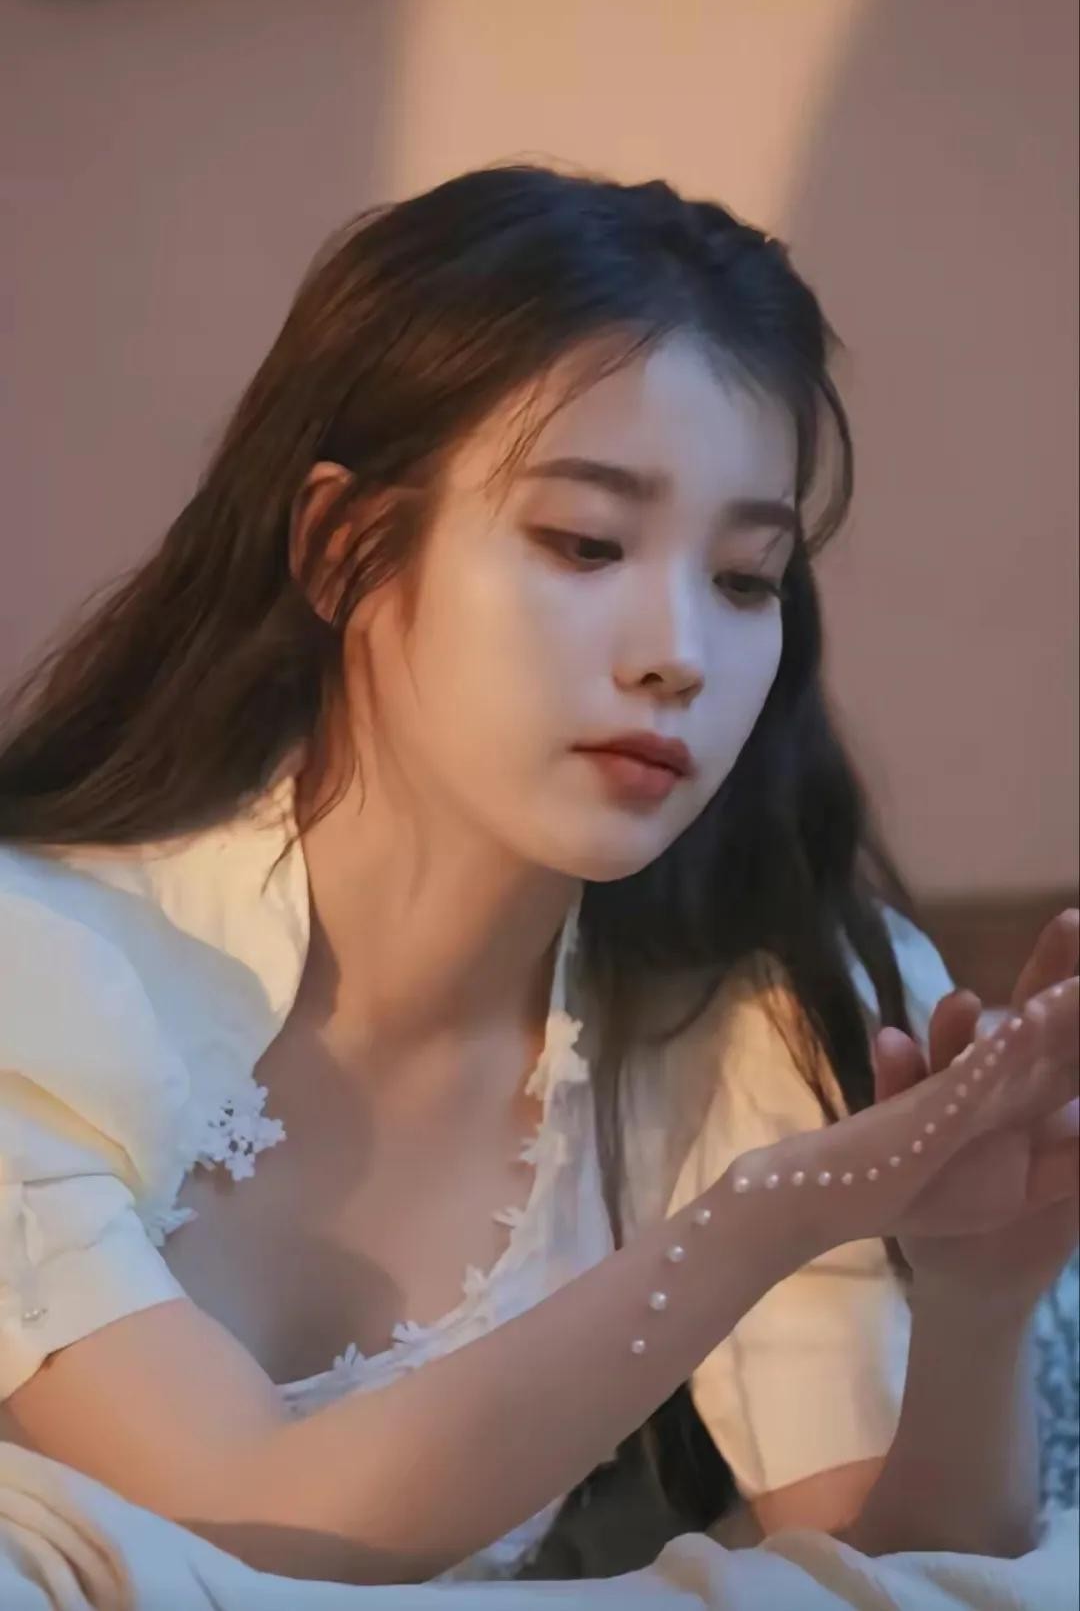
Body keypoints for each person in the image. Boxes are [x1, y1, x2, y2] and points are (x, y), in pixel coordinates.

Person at [0, 166, 1076, 1589]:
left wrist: (981, 1307)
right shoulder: (39, 974)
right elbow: (237, 1529)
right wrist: (772, 1213)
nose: (677, 652)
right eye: (585, 543)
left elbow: (895, 1573)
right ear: (342, 548)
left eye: (747, 578)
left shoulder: (749, 1021)